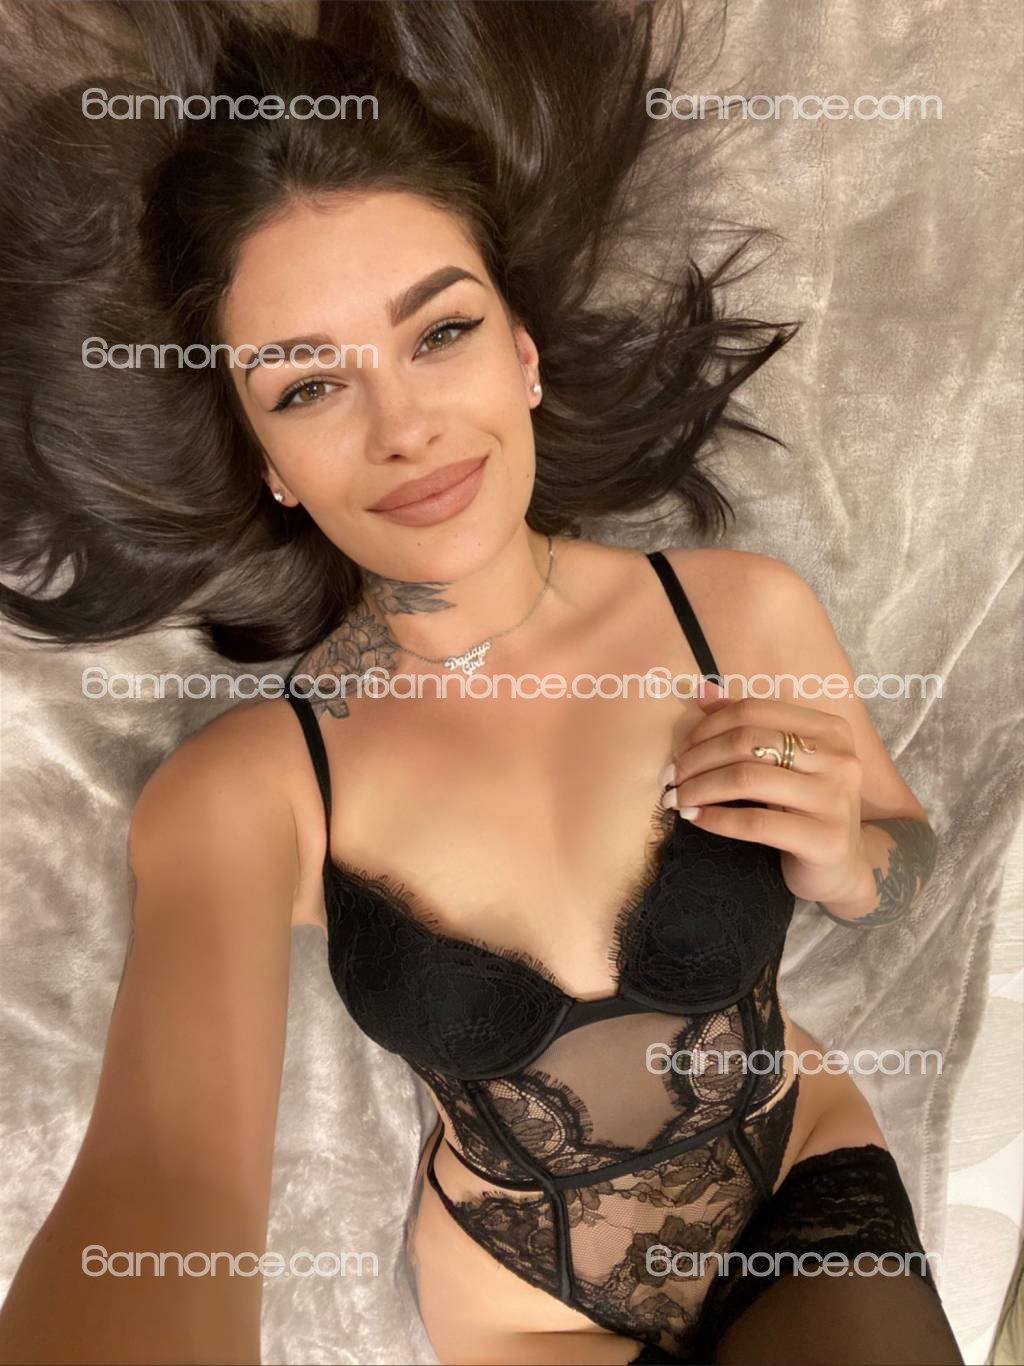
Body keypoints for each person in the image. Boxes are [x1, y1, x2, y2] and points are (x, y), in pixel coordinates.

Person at [0, 3, 964, 1362]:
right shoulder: (250, 791)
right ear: (271, 464)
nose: (404, 427)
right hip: (525, 1305)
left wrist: (857, 861)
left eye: (439, 333)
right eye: (307, 388)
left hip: (796, 1179)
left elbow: (911, 857)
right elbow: (167, 1176)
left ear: (523, 353)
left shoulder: (738, 615)